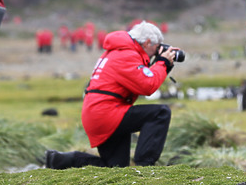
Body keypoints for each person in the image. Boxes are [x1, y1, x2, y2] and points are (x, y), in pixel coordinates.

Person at [45, 21, 176, 169]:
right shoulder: (127, 55)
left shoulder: (118, 51)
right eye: (157, 47)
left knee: (115, 168)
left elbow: (142, 79)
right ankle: (145, 165)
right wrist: (162, 62)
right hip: (107, 114)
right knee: (160, 113)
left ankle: (61, 160)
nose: (158, 51)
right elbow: (147, 86)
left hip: (99, 113)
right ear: (146, 43)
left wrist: (162, 65)